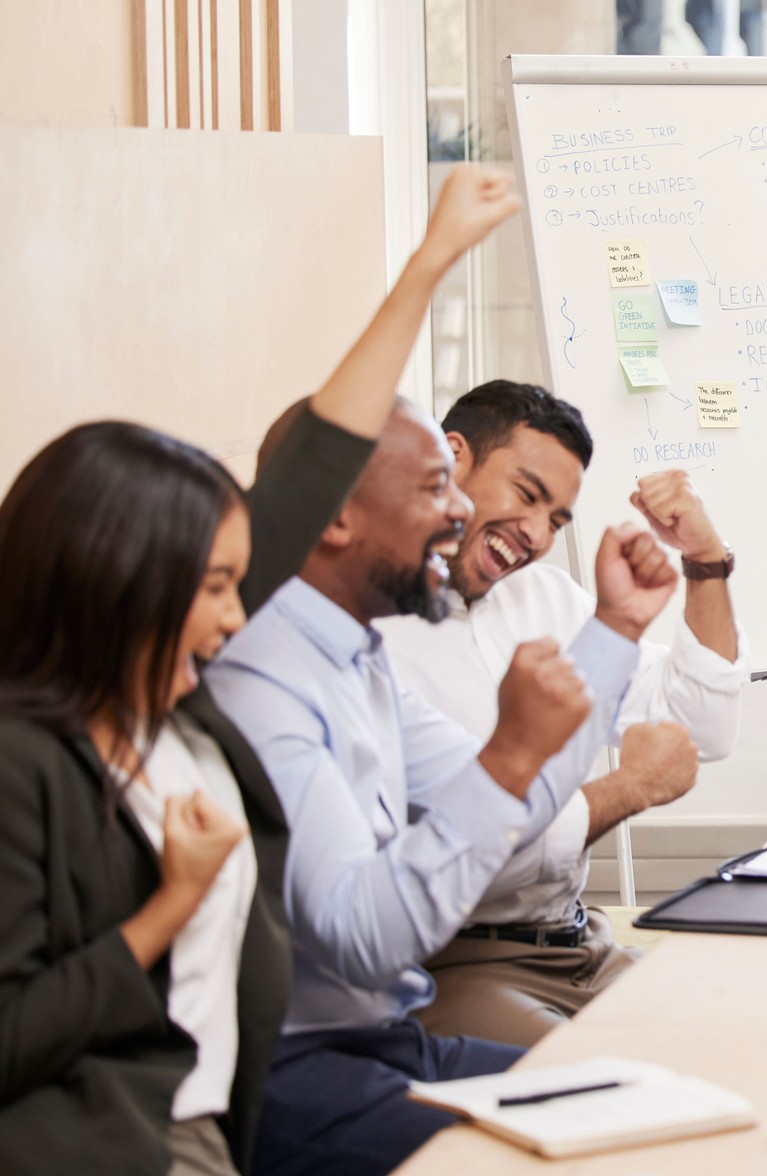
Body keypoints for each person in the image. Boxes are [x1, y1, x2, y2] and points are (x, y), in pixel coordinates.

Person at [0, 164, 516, 1176]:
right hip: (114, 1148)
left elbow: (307, 469)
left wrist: (430, 266)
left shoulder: (184, 727)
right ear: (121, 585)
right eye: (217, 587)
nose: (243, 615)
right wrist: (164, 910)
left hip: (215, 1125)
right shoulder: (25, 764)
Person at [204, 400, 673, 1175]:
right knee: (594, 1155)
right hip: (293, 1070)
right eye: (433, 489)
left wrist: (617, 629)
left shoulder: (359, 657)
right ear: (337, 519)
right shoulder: (263, 678)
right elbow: (364, 941)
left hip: (390, 1039)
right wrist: (509, 757)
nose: (460, 506)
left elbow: (522, 812)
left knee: (638, 1103)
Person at [376, 381, 748, 1047]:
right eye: (526, 495)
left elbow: (701, 726)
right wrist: (629, 787)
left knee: (727, 1038)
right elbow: (490, 844)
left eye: (556, 519)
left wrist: (704, 562)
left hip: (578, 939)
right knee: (612, 1074)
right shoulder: (382, 639)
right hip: (460, 964)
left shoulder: (542, 597)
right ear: (452, 459)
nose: (537, 535)